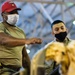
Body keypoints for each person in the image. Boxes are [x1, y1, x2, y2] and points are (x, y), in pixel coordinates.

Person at [0, 1, 42, 75]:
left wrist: (32, 71)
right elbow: (3, 40)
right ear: (3, 15)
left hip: (16, 71)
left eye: (16, 12)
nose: (15, 15)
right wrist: (26, 41)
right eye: (11, 12)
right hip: (3, 70)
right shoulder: (1, 27)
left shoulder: (20, 32)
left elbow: (24, 57)